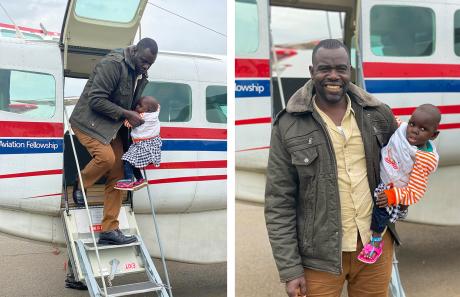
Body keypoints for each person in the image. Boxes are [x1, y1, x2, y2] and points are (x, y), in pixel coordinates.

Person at [264, 39, 400, 297]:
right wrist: (290, 269)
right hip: (319, 257)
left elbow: (404, 163)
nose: (333, 75)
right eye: (325, 68)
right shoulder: (288, 125)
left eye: (341, 68)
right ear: (311, 71)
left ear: (350, 71)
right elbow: (278, 202)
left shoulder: (378, 114)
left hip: (375, 244)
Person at [69, 37, 158, 245]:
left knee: (119, 173)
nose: (146, 66)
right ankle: (81, 184)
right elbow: (96, 99)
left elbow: (127, 100)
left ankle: (109, 229)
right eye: (144, 61)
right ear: (135, 50)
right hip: (88, 122)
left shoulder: (137, 70)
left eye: (150, 64)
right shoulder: (113, 64)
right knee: (106, 158)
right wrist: (127, 113)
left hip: (111, 126)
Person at [358, 104, 440, 264]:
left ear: (434, 135)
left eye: (423, 129)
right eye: (412, 124)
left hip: (394, 188)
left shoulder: (423, 159)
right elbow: (388, 118)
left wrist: (394, 196)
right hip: (381, 173)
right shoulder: (401, 129)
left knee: (380, 211)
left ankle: (376, 241)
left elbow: (416, 190)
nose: (414, 130)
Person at [114, 95, 162, 191]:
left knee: (127, 160)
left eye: (140, 106)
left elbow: (127, 124)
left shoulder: (141, 117)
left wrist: (125, 114)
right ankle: (140, 179)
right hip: (151, 144)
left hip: (142, 145)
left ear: (147, 109)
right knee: (133, 162)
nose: (136, 107)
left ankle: (128, 180)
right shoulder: (155, 112)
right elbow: (158, 106)